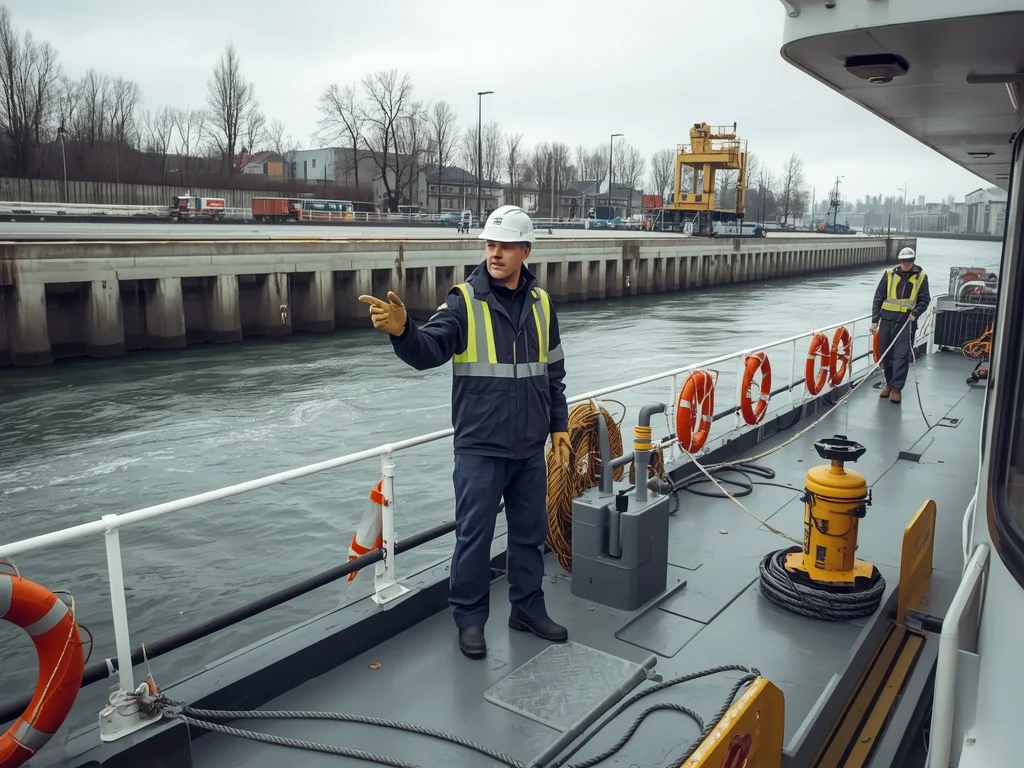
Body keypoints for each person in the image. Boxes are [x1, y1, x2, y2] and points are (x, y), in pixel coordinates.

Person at [358, 204, 572, 660]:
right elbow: (430, 348)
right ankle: (471, 620)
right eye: (490, 245)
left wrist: (560, 426)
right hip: (480, 445)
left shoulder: (542, 304)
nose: (495, 254)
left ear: (525, 251)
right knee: (474, 537)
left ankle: (527, 609)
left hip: (530, 447)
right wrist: (403, 332)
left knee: (529, 534)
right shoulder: (463, 300)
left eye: (505, 246)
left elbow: (553, 372)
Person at [870, 246, 931, 404]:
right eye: (904, 261)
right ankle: (889, 384)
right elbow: (878, 297)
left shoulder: (921, 277)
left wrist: (916, 312)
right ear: (900, 261)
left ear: (913, 261)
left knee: (901, 356)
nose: (906, 264)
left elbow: (925, 299)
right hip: (887, 321)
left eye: (909, 261)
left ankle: (897, 389)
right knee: (886, 354)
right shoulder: (889, 275)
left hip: (906, 322)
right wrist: (875, 320)